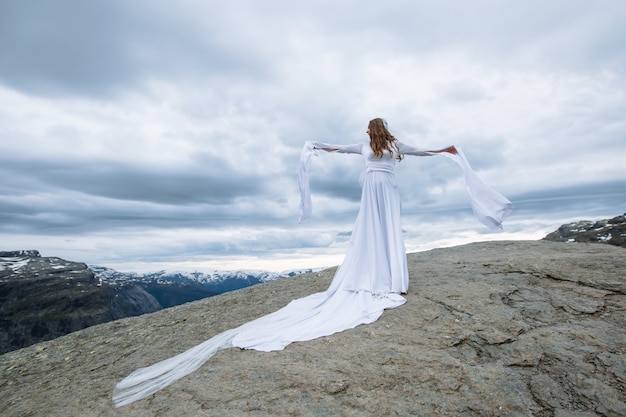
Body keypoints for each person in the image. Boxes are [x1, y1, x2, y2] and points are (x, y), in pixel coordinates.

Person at [113, 118, 513, 407]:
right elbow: (424, 152)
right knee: (386, 229)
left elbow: (337, 149)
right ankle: (387, 278)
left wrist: (316, 146)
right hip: (386, 190)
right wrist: (448, 149)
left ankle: (376, 276)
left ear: (368, 132)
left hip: (373, 190)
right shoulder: (394, 147)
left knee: (370, 231)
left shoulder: (368, 148)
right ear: (385, 131)